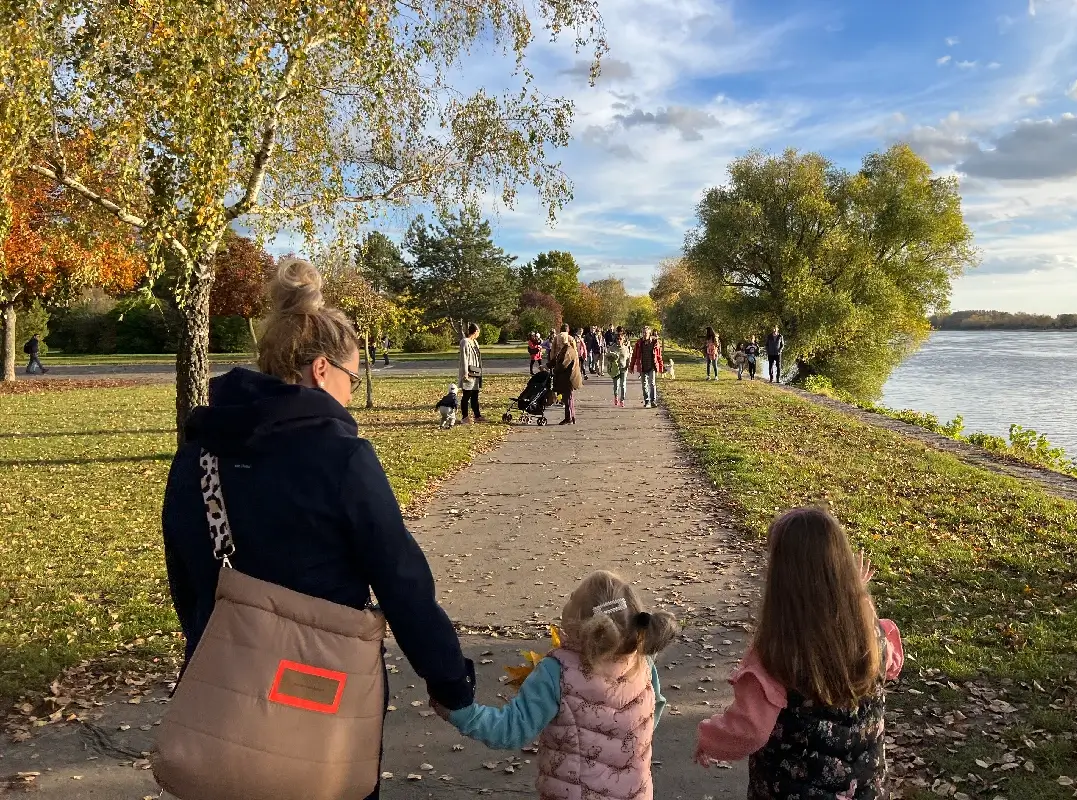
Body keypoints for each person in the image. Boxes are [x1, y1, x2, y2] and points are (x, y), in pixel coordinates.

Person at [161, 259, 476, 800]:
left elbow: (186, 574)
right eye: (353, 378)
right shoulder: (342, 457)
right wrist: (448, 679)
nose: (352, 394)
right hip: (319, 698)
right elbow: (400, 580)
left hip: (225, 692)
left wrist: (206, 641)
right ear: (322, 370)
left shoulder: (198, 453)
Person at [694, 507, 904, 799]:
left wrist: (710, 738)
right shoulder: (869, 631)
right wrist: (857, 596)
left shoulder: (777, 651)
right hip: (863, 790)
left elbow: (749, 729)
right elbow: (891, 666)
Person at [442, 570, 678, 800]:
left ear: (579, 620)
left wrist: (463, 714)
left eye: (572, 598)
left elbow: (509, 731)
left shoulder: (557, 672)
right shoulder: (642, 662)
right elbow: (654, 708)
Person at [550, 323, 583, 424]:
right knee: (569, 397)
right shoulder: (566, 348)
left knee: (567, 396)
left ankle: (569, 418)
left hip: (568, 376)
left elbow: (562, 364)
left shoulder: (567, 351)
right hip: (569, 374)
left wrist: (554, 369)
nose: (559, 343)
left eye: (560, 342)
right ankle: (571, 417)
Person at [629, 325, 664, 408]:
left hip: (652, 366)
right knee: (644, 384)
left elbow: (659, 356)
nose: (644, 334)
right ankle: (647, 401)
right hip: (643, 366)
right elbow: (634, 356)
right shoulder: (639, 343)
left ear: (649, 333)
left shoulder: (654, 343)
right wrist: (631, 366)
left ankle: (653, 401)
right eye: (643, 333)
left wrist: (661, 367)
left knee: (652, 383)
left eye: (646, 333)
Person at [458, 323, 484, 424]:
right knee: (467, 395)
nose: (478, 334)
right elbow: (464, 358)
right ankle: (465, 417)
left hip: (476, 371)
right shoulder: (465, 342)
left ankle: (477, 415)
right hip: (468, 372)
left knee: (475, 394)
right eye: (478, 332)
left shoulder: (475, 342)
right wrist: (465, 373)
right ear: (475, 331)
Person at [605, 327, 632, 407]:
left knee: (623, 385)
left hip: (624, 368)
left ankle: (622, 400)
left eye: (620, 339)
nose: (619, 340)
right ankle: (616, 396)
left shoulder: (626, 348)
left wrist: (628, 365)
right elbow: (608, 356)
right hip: (615, 369)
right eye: (617, 339)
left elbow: (629, 357)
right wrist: (610, 361)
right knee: (616, 385)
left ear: (623, 339)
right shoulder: (613, 347)